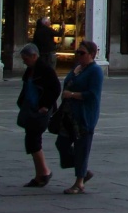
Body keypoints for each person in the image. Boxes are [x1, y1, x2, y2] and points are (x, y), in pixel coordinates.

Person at [56, 40, 104, 194]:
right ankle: (82, 170)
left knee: (82, 148)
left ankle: (79, 182)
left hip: (84, 116)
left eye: (82, 53)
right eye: (77, 52)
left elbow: (93, 95)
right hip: (69, 114)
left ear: (91, 54)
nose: (78, 55)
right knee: (62, 143)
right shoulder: (77, 68)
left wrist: (72, 95)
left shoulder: (95, 71)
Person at [16, 43, 61, 188]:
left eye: (26, 58)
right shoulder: (31, 70)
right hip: (30, 107)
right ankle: (40, 173)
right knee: (31, 141)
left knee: (33, 140)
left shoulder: (45, 70)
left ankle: (44, 173)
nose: (24, 61)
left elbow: (55, 88)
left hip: (40, 110)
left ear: (34, 56)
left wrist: (45, 106)